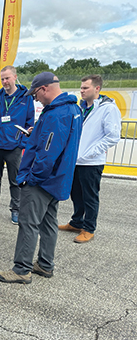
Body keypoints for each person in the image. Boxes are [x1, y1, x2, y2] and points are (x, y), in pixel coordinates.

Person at [0, 72, 82, 284]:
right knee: (48, 222)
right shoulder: (73, 109)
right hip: (58, 179)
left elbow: (48, 153)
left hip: (43, 180)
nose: (36, 100)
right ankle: (45, 264)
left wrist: (31, 177)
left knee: (28, 223)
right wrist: (37, 132)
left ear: (44, 89)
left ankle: (22, 269)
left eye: (36, 95)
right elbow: (57, 142)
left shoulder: (55, 114)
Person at [58, 74, 121, 243]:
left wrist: (90, 153)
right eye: (81, 87)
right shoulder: (81, 107)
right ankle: (77, 222)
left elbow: (113, 136)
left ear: (97, 88)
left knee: (90, 196)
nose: (82, 91)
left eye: (85, 88)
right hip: (76, 160)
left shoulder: (108, 108)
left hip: (92, 162)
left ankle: (89, 228)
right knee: (76, 194)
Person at [0, 66, 35, 224]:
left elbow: (29, 122)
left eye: (7, 78)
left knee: (15, 180)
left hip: (14, 146)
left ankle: (16, 209)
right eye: (2, 79)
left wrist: (22, 143)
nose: (5, 82)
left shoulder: (25, 97)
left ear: (15, 77)